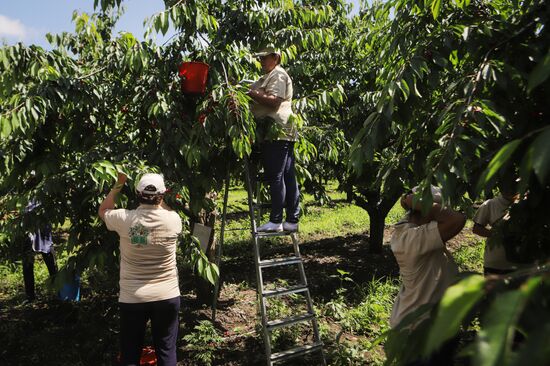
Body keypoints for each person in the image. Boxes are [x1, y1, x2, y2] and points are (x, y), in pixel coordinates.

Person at [98, 172, 182, 366]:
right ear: (162, 195)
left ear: (137, 194)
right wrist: (160, 198)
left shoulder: (124, 218)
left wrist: (119, 184)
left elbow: (103, 210)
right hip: (166, 295)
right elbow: (164, 209)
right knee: (166, 351)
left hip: (132, 298)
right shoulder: (173, 220)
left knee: (130, 352)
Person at [390, 186, 466, 328]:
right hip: (416, 329)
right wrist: (422, 203)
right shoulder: (411, 239)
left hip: (426, 324)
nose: (438, 220)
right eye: (437, 214)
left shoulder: (414, 233)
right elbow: (457, 220)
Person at [248, 47, 299, 232]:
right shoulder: (269, 75)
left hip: (275, 131)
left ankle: (276, 220)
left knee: (276, 175)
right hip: (281, 131)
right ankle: (292, 220)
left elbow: (274, 101)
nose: (261, 61)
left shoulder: (277, 74)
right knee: (287, 175)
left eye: (264, 57)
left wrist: (251, 93)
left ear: (275, 57)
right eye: (260, 57)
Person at [472, 181, 519, 275]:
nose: (510, 189)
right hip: (496, 264)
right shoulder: (490, 204)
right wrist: (499, 233)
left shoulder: (527, 204)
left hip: (521, 263)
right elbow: (476, 229)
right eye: (507, 185)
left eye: (515, 184)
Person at [21, 200, 58, 303]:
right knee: (27, 261)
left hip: (42, 221)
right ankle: (30, 296)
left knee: (48, 255)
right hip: (28, 222)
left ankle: (59, 291)